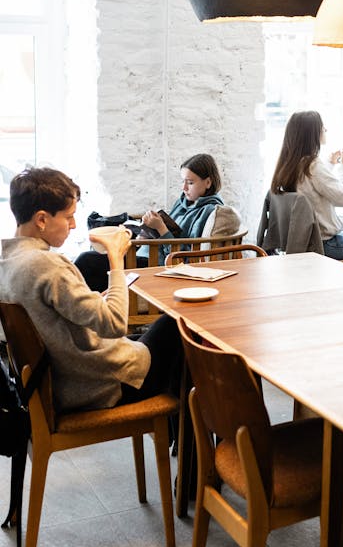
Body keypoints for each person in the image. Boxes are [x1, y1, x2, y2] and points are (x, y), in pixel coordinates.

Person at [0, 167, 181, 413]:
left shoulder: (7, 263)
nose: (74, 225)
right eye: (68, 216)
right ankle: (191, 442)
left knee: (150, 339)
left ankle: (178, 435)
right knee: (179, 323)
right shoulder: (47, 265)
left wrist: (96, 299)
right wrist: (116, 259)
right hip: (98, 386)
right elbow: (115, 324)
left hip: (61, 384)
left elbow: (51, 316)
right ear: (42, 219)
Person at [75, 152, 225, 291]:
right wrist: (146, 233)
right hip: (144, 255)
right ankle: (95, 311)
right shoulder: (183, 203)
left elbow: (184, 257)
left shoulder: (209, 211)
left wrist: (160, 228)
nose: (183, 188)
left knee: (87, 261)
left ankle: (90, 313)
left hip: (156, 264)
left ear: (208, 182)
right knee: (91, 262)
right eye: (183, 181)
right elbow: (170, 232)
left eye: (190, 183)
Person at [270, 110, 343, 269]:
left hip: (304, 243)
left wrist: (330, 164)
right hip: (323, 245)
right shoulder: (313, 165)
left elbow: (314, 186)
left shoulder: (289, 166)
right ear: (312, 134)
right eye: (322, 127)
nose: (325, 130)